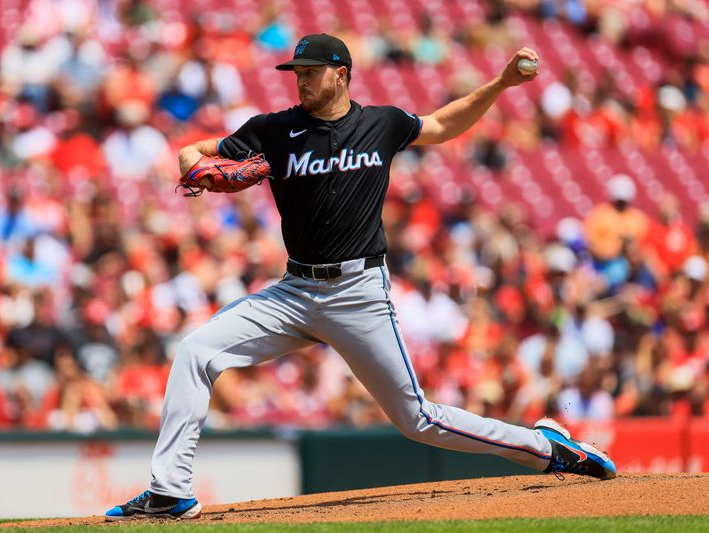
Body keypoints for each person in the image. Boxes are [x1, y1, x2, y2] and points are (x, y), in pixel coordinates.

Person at [106, 34, 616, 521]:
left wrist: (501, 84)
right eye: (296, 72)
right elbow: (190, 153)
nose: (300, 81)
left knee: (418, 420)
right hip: (295, 292)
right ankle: (170, 491)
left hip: (358, 294)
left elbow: (441, 125)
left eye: (310, 72)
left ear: (341, 74)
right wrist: (208, 170)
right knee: (196, 351)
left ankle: (548, 448)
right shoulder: (274, 129)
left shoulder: (382, 123)